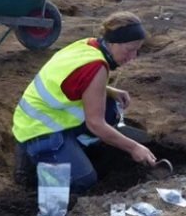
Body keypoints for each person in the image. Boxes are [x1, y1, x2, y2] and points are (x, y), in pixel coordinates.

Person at [12, 11, 157, 193]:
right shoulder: (96, 67)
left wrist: (109, 90)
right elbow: (95, 124)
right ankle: (39, 170)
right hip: (40, 131)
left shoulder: (89, 45)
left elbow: (75, 81)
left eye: (137, 50)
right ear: (113, 43)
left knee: (110, 108)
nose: (133, 56)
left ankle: (74, 151)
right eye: (129, 49)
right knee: (84, 180)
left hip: (37, 119)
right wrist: (134, 148)